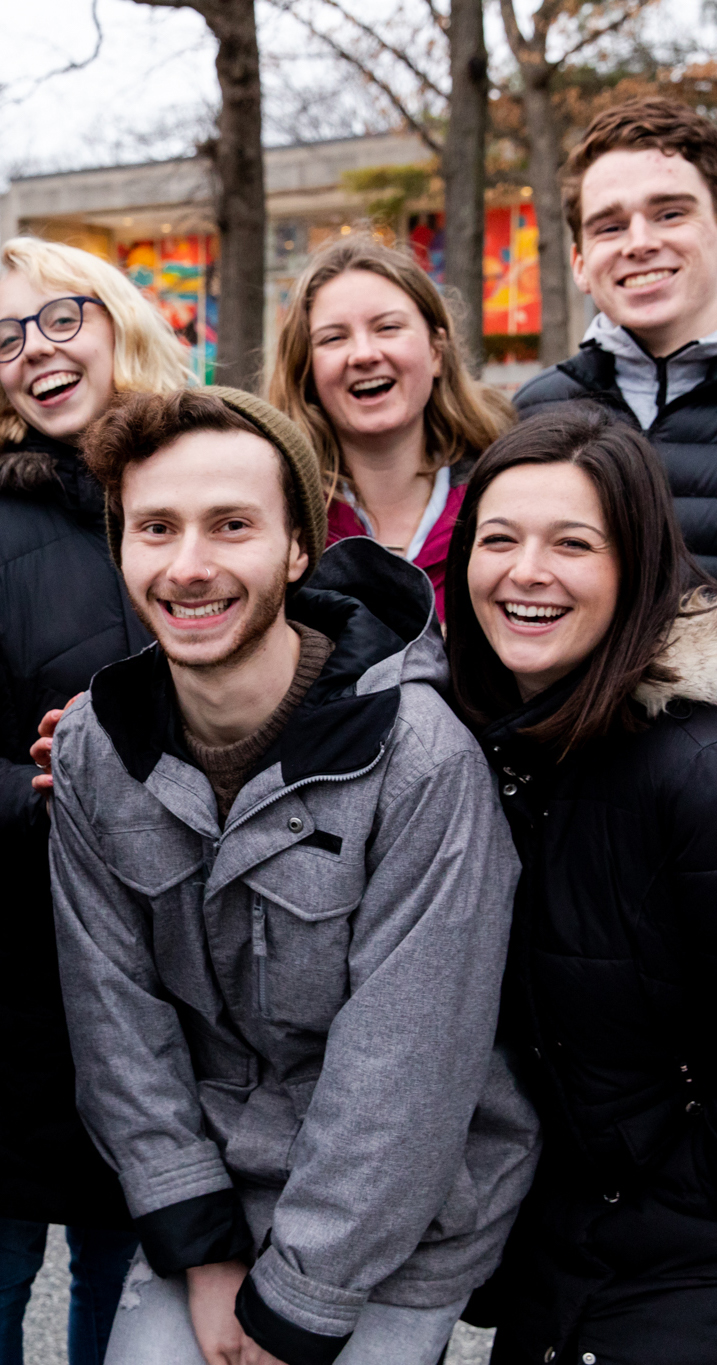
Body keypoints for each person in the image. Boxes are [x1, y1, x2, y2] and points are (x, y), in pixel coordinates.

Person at [46, 386, 540, 1365]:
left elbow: (406, 1072)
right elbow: (116, 1023)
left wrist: (295, 1306)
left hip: (398, 1216)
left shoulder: (419, 757)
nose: (189, 565)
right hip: (219, 1185)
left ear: (297, 549)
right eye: (156, 528)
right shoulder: (95, 749)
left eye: (233, 526)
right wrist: (203, 1245)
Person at [0, 236, 193, 1365]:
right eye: (8, 336)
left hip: (186, 975)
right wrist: (54, 787)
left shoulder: (211, 481)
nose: (36, 350)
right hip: (22, 973)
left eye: (61, 317)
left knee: (130, 1278)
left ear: (121, 320)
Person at [443, 405, 717, 1365]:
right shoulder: (484, 750)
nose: (526, 571)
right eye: (499, 538)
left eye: (573, 543)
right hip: (560, 1266)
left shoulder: (693, 768)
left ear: (636, 566)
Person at [515, 96, 717, 574]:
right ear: (580, 265)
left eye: (669, 213)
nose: (640, 243)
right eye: (610, 226)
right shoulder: (530, 413)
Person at [269, 234, 514, 619]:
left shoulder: (506, 498)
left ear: (436, 351)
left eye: (387, 328)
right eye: (334, 338)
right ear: (306, 371)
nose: (364, 354)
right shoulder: (282, 524)